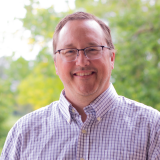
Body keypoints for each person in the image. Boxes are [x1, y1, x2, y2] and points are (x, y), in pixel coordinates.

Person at [1, 12, 160, 160]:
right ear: (56, 64)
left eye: (92, 49)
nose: (82, 61)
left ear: (112, 58)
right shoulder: (23, 132)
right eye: (69, 51)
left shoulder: (152, 128)